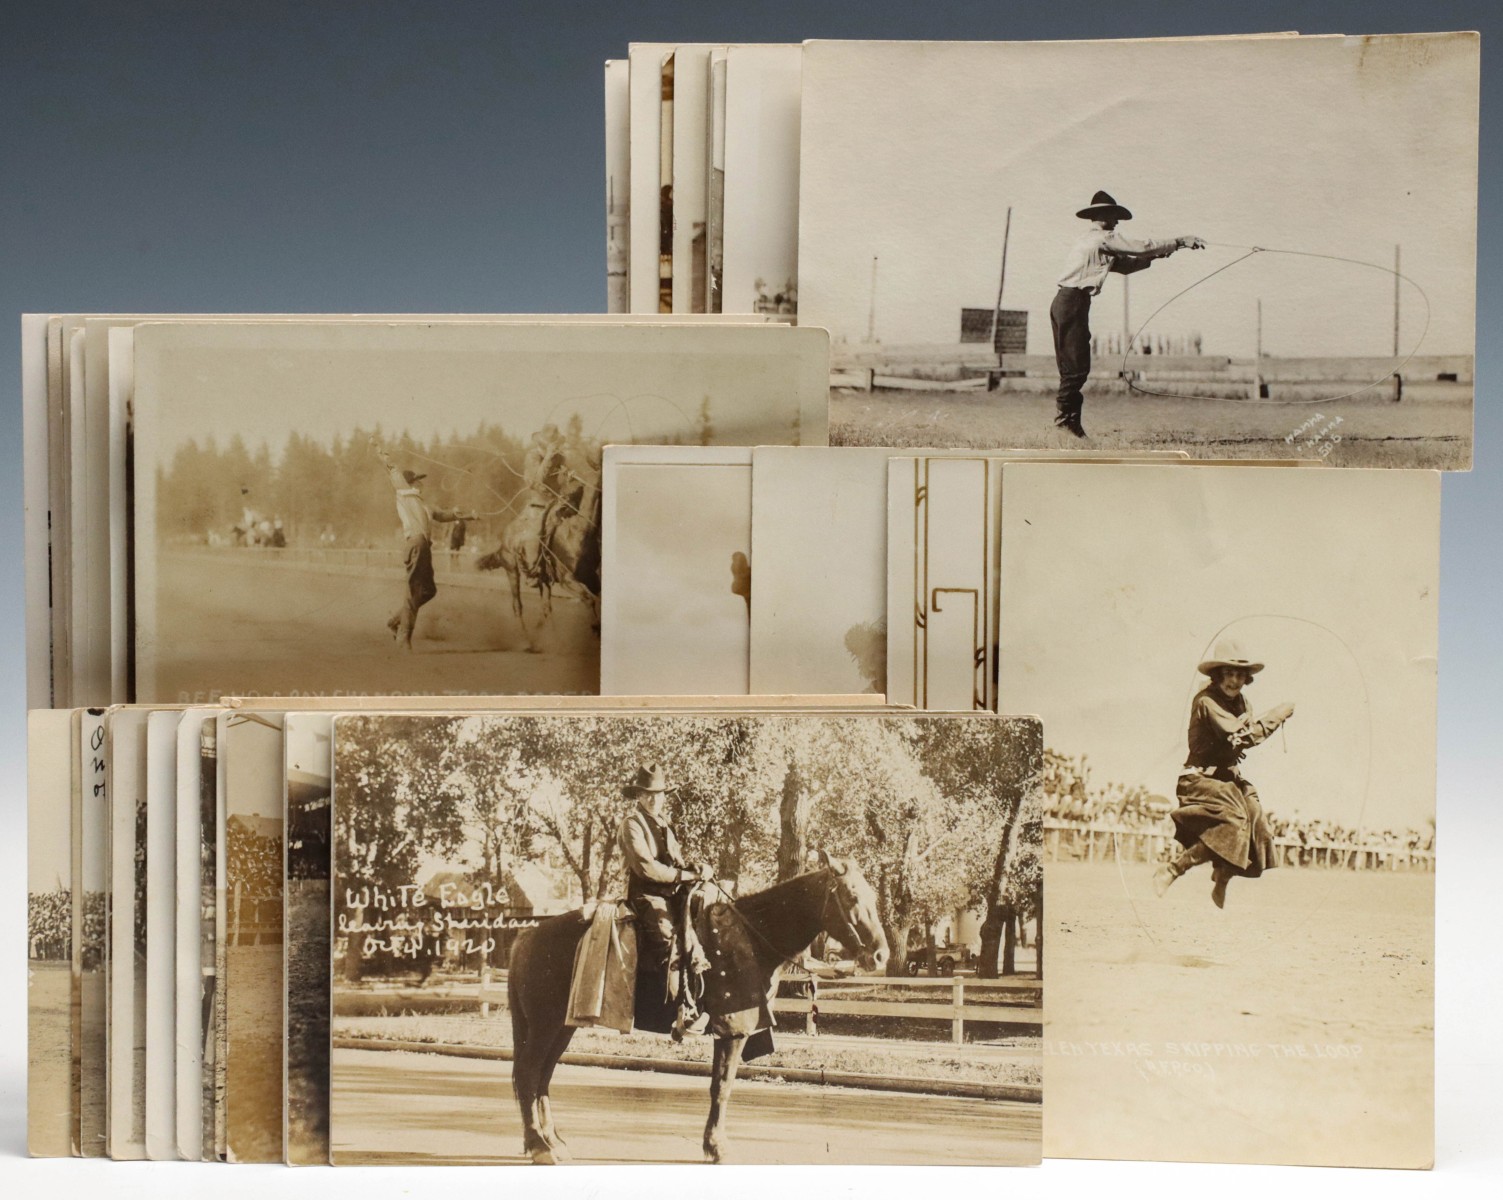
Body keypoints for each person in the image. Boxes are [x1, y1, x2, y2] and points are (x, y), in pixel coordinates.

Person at [1052, 190, 1205, 438]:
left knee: (1073, 365)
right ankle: (1065, 424)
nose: (1117, 221)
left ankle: (1068, 422)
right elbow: (1140, 247)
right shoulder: (1102, 238)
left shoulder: (1090, 241)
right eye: (1113, 216)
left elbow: (1126, 265)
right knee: (1076, 367)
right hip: (1072, 302)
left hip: (1067, 301)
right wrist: (1179, 241)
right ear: (1102, 216)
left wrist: (1158, 255)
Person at [1155, 640, 1295, 908]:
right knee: (1234, 818)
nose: (1234, 680)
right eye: (1229, 674)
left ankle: (1223, 874)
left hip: (1227, 779)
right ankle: (1173, 869)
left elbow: (1244, 733)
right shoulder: (1207, 701)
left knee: (1257, 820)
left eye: (1240, 675)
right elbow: (1243, 737)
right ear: (1218, 675)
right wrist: (1277, 715)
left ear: (1246, 678)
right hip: (1198, 779)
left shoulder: (1243, 703)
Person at [615, 764, 712, 1039]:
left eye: (658, 794)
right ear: (638, 796)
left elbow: (676, 861)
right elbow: (646, 867)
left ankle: (702, 1002)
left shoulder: (665, 825)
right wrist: (683, 875)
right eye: (647, 794)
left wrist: (699, 868)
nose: (653, 799)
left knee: (705, 922)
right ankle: (672, 1014)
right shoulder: (631, 824)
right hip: (644, 894)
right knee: (666, 936)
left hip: (670, 891)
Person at [369, 437, 475, 651]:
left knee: (428, 591)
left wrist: (470, 515)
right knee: (413, 590)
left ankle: (395, 622)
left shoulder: (423, 504)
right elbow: (391, 468)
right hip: (415, 544)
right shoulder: (403, 493)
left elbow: (444, 515)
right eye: (417, 480)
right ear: (410, 483)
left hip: (424, 547)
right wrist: (379, 448)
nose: (420, 482)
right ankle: (403, 637)